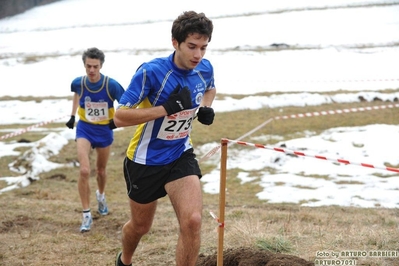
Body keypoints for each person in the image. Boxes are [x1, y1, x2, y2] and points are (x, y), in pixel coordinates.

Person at [113, 11, 216, 266]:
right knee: (140, 227)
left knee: (192, 221)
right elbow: (119, 117)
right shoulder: (152, 72)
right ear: (175, 42)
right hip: (145, 161)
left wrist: (206, 106)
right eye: (191, 47)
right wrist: (166, 109)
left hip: (180, 154)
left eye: (203, 47)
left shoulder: (204, 68)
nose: (197, 55)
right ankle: (124, 260)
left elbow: (210, 87)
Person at [65, 47, 125, 233]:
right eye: (88, 66)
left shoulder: (111, 85)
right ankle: (86, 215)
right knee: (84, 170)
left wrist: (116, 121)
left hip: (104, 131)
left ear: (101, 66)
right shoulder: (78, 83)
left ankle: (101, 195)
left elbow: (125, 103)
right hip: (85, 129)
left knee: (100, 170)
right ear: (84, 65)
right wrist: (73, 116)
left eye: (95, 67)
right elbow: (77, 94)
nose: (91, 70)